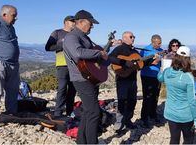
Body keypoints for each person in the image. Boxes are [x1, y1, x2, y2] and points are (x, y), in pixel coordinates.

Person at [63, 10, 108, 144]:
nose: (92, 26)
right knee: (94, 112)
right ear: (81, 22)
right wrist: (98, 54)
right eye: (90, 23)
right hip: (81, 78)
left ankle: (81, 141)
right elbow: (78, 53)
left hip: (88, 77)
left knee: (89, 112)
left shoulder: (84, 36)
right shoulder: (72, 37)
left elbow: (92, 54)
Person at [157, 46, 196, 144]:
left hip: (171, 113)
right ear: (188, 59)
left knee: (174, 139)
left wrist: (161, 69)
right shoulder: (188, 77)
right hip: (186, 115)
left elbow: (160, 78)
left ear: (176, 57)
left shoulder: (167, 71)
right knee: (188, 139)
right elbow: (192, 101)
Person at [0, 5, 20, 126]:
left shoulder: (11, 27)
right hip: (0, 63)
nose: (16, 18)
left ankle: (10, 114)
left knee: (12, 91)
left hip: (13, 64)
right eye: (14, 15)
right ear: (4, 14)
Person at [45, 15, 76, 117]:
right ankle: (58, 113)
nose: (74, 23)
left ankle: (70, 112)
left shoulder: (75, 34)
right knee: (62, 88)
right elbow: (48, 47)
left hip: (75, 65)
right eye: (73, 21)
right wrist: (63, 45)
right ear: (66, 22)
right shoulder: (57, 32)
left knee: (72, 90)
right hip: (62, 64)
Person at [109, 31, 139, 131]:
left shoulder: (134, 51)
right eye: (131, 36)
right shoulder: (120, 48)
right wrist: (124, 62)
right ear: (124, 38)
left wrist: (152, 60)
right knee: (122, 101)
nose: (133, 38)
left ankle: (128, 120)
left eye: (134, 36)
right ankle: (119, 123)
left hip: (133, 79)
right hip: (122, 79)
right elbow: (110, 58)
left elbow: (141, 62)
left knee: (132, 101)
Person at [140, 34, 163, 127]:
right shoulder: (145, 50)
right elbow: (140, 63)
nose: (159, 45)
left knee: (155, 96)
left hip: (157, 76)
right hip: (147, 76)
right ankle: (144, 117)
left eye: (160, 43)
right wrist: (152, 63)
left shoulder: (161, 51)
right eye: (158, 43)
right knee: (147, 97)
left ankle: (153, 114)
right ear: (152, 42)